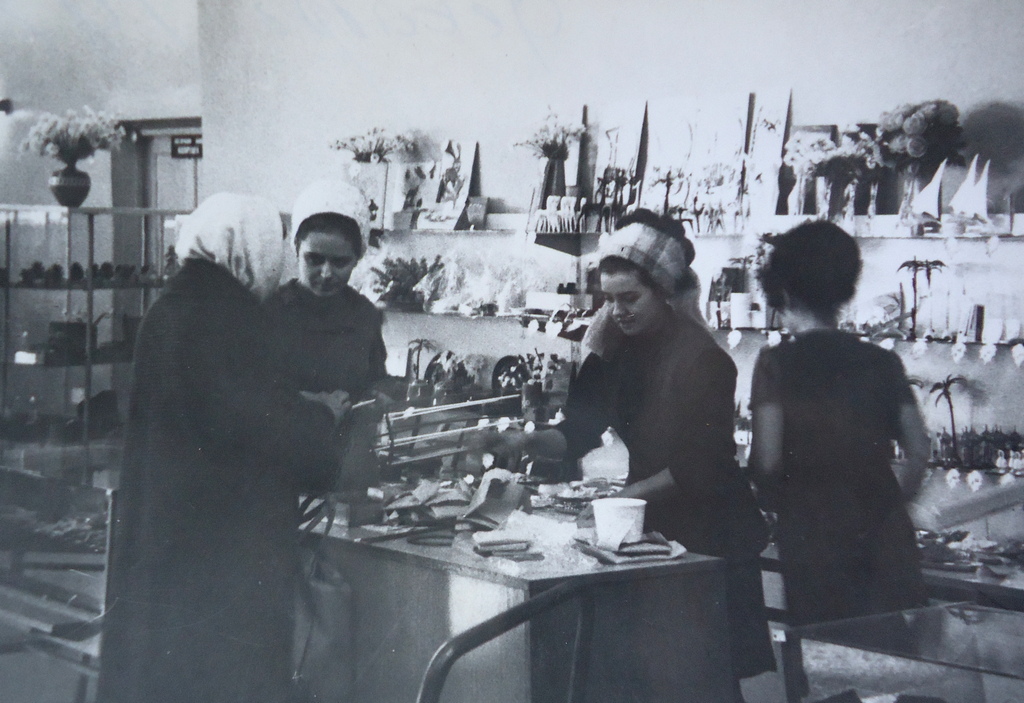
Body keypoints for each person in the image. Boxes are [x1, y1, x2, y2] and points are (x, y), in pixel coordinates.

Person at [483, 209, 775, 701]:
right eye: (609, 299)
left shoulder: (704, 359)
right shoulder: (613, 350)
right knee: (648, 676)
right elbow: (579, 431)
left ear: (663, 291)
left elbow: (700, 467)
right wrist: (525, 440)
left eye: (629, 298)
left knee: (705, 680)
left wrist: (619, 502)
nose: (616, 311)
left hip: (710, 534)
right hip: (650, 525)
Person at [97, 193, 349, 703]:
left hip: (166, 544)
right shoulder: (231, 319)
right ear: (252, 249)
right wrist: (324, 414)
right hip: (222, 561)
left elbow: (222, 415)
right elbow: (277, 439)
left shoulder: (169, 308)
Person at [749, 220, 931, 627]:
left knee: (825, 655)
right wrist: (889, 505)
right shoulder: (883, 361)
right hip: (885, 537)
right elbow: (919, 450)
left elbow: (768, 462)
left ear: (785, 291)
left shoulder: (776, 364)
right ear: (846, 289)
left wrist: (778, 507)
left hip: (814, 538)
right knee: (891, 654)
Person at [263, 180, 388, 402]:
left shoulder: (364, 315)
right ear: (296, 249)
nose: (326, 273)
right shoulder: (270, 311)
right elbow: (253, 393)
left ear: (357, 258)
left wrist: (380, 396)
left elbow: (375, 381)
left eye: (340, 262)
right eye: (315, 259)